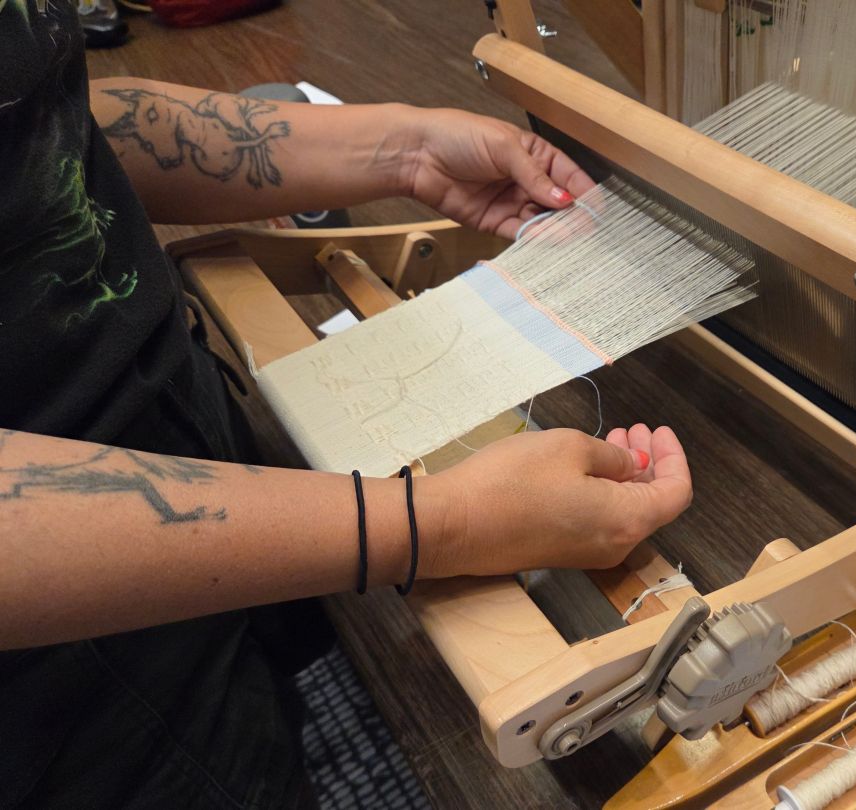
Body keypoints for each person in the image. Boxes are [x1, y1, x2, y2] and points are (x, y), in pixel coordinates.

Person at [0, 2, 693, 808]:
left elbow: (48, 125)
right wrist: (446, 525)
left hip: (173, 466)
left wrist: (407, 150)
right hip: (70, 680)